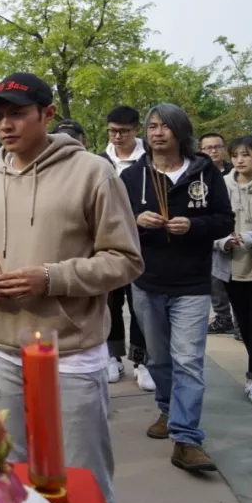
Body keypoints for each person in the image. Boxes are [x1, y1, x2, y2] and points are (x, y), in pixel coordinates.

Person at [0, 73, 142, 503]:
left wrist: (50, 278)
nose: (6, 126)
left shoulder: (93, 173)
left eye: (18, 114)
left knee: (82, 478)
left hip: (69, 352)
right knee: (14, 473)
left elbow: (125, 260)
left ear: (47, 114)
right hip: (0, 348)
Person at [121, 104, 233, 473]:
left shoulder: (204, 172)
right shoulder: (133, 176)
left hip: (193, 283)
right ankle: (169, 410)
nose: (157, 132)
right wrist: (137, 221)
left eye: (165, 126)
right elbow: (115, 223)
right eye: (152, 126)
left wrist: (194, 226)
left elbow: (223, 220)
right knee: (160, 359)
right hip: (147, 281)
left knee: (188, 360)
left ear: (180, 131)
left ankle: (186, 438)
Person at [212, 135, 252, 406]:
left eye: (246, 154)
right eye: (236, 154)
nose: (239, 159)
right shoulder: (220, 186)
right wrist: (223, 241)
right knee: (245, 325)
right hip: (231, 268)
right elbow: (209, 224)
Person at [97, 106, 154, 391]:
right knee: (110, 303)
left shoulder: (150, 160)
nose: (117, 136)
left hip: (144, 244)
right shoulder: (99, 161)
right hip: (107, 245)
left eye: (124, 131)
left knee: (141, 305)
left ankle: (142, 361)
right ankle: (113, 356)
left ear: (136, 130)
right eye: (112, 131)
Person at [202, 132, 240, 337]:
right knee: (215, 278)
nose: (213, 151)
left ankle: (240, 321)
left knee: (238, 279)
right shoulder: (197, 174)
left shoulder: (236, 173)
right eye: (208, 148)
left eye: (217, 147)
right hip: (213, 235)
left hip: (238, 232)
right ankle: (222, 317)